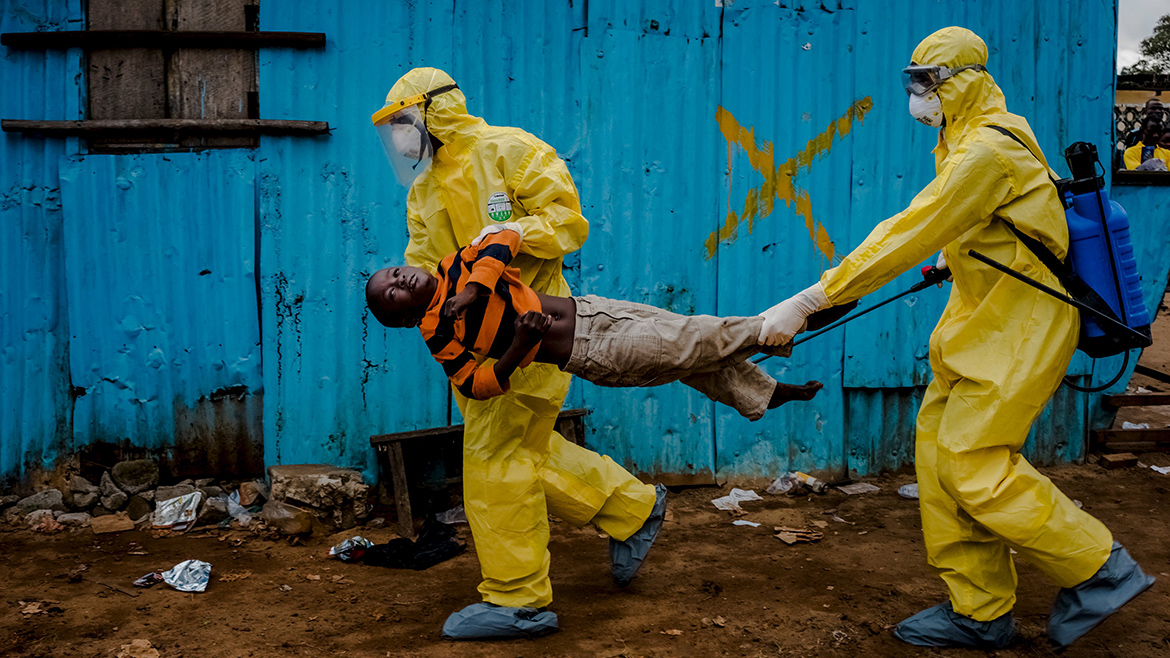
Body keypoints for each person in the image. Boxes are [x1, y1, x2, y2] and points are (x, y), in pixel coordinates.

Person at [757, 27, 1154, 650]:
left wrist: (815, 298)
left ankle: (1100, 568)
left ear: (962, 80)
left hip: (1021, 324)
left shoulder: (987, 148)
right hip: (979, 320)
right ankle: (980, 609)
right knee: (940, 461)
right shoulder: (968, 136)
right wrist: (955, 254)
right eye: (911, 82)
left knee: (975, 463)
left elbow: (910, 227)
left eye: (926, 83)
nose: (916, 97)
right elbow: (1003, 215)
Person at [371, 67, 665, 640]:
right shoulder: (424, 190)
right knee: (524, 451)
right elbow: (426, 265)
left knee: (493, 462)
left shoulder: (513, 150)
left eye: (405, 121)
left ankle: (516, 598)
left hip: (532, 328)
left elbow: (566, 223)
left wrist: (499, 243)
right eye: (394, 129)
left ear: (435, 109)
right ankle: (633, 509)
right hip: (477, 346)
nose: (403, 138)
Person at [366, 227, 828, 419]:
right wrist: (516, 348)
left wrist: (473, 290)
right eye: (392, 292)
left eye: (392, 272)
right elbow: (473, 385)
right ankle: (794, 316)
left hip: (596, 309)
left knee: (691, 357)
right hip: (593, 353)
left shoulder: (456, 265)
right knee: (692, 340)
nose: (398, 278)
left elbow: (504, 236)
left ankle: (764, 394)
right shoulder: (439, 334)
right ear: (406, 317)